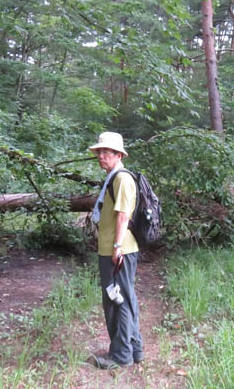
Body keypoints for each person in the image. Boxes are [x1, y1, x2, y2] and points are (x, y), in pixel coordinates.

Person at [89, 131, 143, 369]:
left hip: (118, 250)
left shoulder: (121, 179)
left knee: (116, 300)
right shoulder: (114, 177)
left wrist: (116, 248)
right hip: (117, 248)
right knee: (125, 299)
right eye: (99, 152)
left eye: (107, 152)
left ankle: (120, 356)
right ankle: (134, 349)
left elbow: (123, 216)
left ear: (119, 154)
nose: (101, 155)